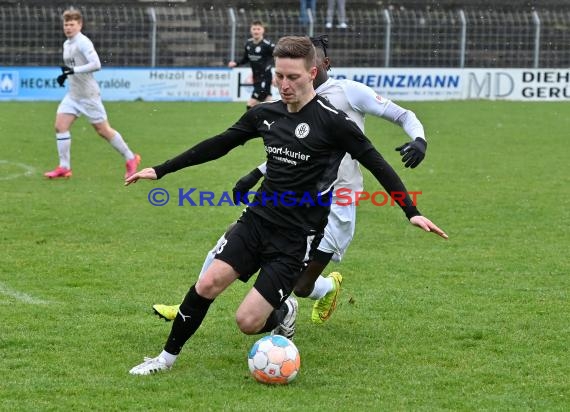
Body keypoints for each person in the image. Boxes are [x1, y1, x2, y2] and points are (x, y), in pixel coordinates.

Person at [126, 36, 447, 375]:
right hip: (257, 221)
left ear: (312, 73)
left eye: (292, 77)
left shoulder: (334, 122)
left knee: (247, 322)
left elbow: (376, 162)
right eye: (279, 76)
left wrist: (411, 211)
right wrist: (162, 170)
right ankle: (164, 360)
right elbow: (220, 143)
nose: (284, 84)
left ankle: (283, 313)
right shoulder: (266, 114)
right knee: (207, 283)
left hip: (296, 237)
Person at [44, 9, 140, 179]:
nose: (68, 28)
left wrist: (73, 70)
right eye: (66, 24)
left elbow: (96, 64)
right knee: (60, 126)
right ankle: (64, 167)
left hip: (88, 95)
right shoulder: (67, 44)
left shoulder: (83, 42)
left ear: (80, 25)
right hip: (73, 95)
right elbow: (74, 68)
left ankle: (131, 158)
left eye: (72, 24)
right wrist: (65, 75)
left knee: (103, 130)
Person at [228, 20, 275, 111]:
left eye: (258, 29)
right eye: (254, 29)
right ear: (251, 30)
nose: (256, 31)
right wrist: (236, 63)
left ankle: (252, 124)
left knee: (251, 104)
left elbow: (276, 57)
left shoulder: (267, 45)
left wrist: (277, 74)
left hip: (265, 77)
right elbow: (246, 58)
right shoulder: (248, 44)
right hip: (256, 78)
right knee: (268, 100)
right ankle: (276, 120)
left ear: (263, 30)